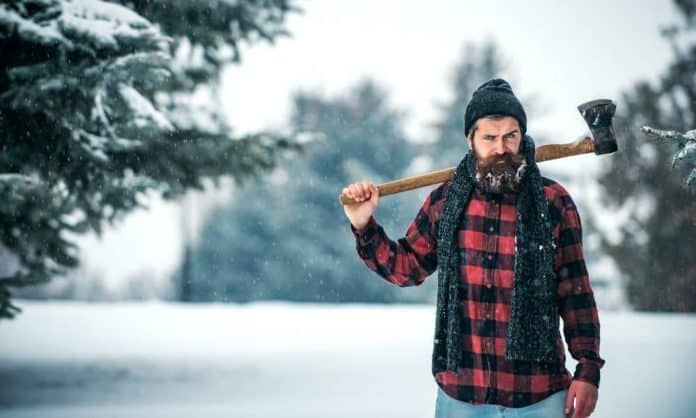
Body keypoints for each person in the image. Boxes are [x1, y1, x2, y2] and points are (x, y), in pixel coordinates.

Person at [342, 79, 605, 418]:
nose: (501, 148)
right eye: (489, 138)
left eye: (510, 136)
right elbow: (406, 268)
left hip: (538, 397)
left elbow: (575, 293)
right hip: (461, 397)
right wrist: (364, 225)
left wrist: (588, 369)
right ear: (471, 140)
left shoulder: (553, 202)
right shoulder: (446, 200)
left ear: (522, 138)